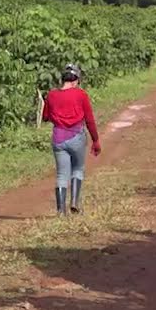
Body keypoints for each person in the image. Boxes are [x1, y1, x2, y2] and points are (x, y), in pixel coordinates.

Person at [41, 63, 100, 214]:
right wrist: (95, 140)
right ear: (76, 80)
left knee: (61, 174)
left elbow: (45, 117)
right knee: (78, 169)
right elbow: (90, 120)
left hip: (58, 138)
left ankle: (61, 210)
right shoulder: (81, 94)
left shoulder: (52, 95)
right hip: (77, 137)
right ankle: (74, 203)